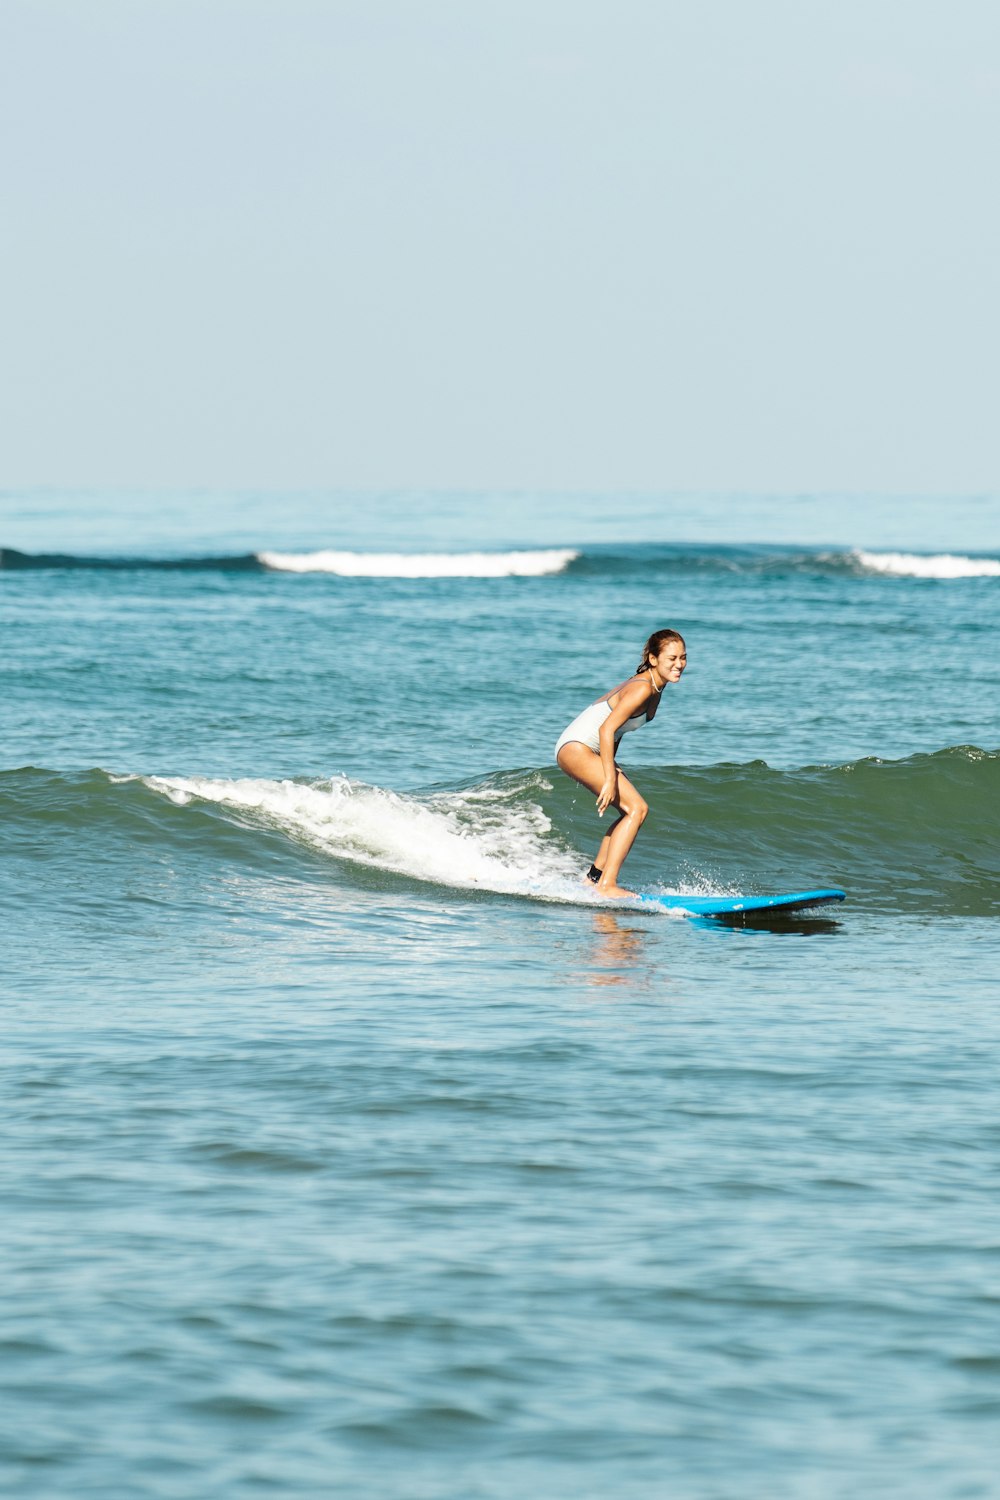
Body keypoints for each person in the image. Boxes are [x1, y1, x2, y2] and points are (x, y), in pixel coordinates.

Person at [554, 629, 687, 897]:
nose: (679, 664)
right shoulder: (642, 688)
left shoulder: (656, 688)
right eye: (672, 658)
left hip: (583, 749)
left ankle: (593, 880)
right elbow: (605, 730)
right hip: (577, 748)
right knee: (637, 809)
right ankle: (608, 885)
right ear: (653, 659)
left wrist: (610, 765)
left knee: (630, 811)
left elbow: (618, 730)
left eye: (683, 658)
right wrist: (609, 775)